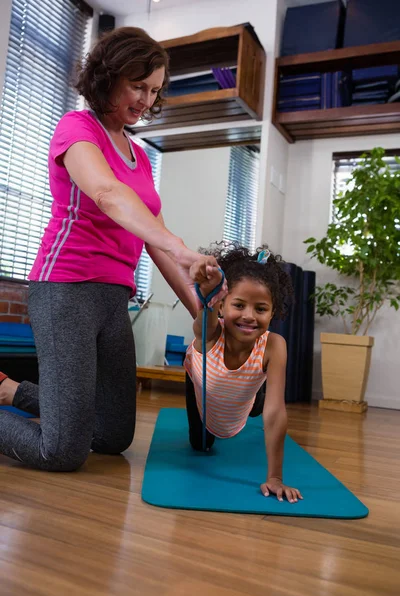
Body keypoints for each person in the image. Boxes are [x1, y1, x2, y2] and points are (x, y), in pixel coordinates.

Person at [0, 27, 221, 472]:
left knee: (112, 435)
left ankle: (9, 390)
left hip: (112, 299)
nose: (145, 99)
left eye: (154, 90)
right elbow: (105, 193)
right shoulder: (77, 128)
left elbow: (155, 242)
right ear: (108, 76)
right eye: (137, 85)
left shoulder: (138, 153)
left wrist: (205, 314)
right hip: (65, 289)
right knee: (62, 450)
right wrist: (180, 248)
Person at [184, 242, 303, 503]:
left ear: (273, 313)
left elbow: (275, 411)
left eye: (260, 309)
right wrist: (209, 298)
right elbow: (204, 322)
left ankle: (252, 393)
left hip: (244, 393)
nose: (249, 316)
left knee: (260, 404)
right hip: (203, 385)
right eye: (239, 305)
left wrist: (275, 478)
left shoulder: (274, 345)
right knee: (201, 445)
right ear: (223, 305)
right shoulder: (213, 331)